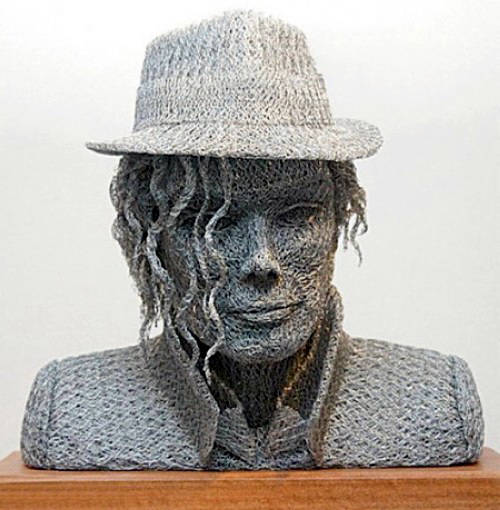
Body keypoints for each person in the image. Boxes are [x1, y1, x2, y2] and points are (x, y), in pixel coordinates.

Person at [20, 9, 484, 470]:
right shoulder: (69, 409)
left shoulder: (436, 399)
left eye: (297, 217)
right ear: (149, 233)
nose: (261, 262)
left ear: (337, 218)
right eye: (213, 222)